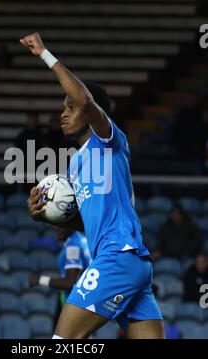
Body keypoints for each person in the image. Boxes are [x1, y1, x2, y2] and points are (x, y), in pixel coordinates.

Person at [22, 33, 164, 339]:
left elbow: (86, 100)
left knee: (63, 341)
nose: (63, 113)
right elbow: (83, 224)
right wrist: (43, 215)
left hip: (118, 258)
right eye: (63, 108)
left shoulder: (108, 141)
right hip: (131, 264)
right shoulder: (75, 164)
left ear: (89, 112)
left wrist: (45, 55)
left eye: (70, 107)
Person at [29, 228, 91, 328]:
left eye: (60, 225)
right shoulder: (82, 239)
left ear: (69, 224)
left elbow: (69, 282)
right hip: (85, 300)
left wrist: (39, 280)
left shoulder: (73, 246)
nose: (57, 229)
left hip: (74, 303)